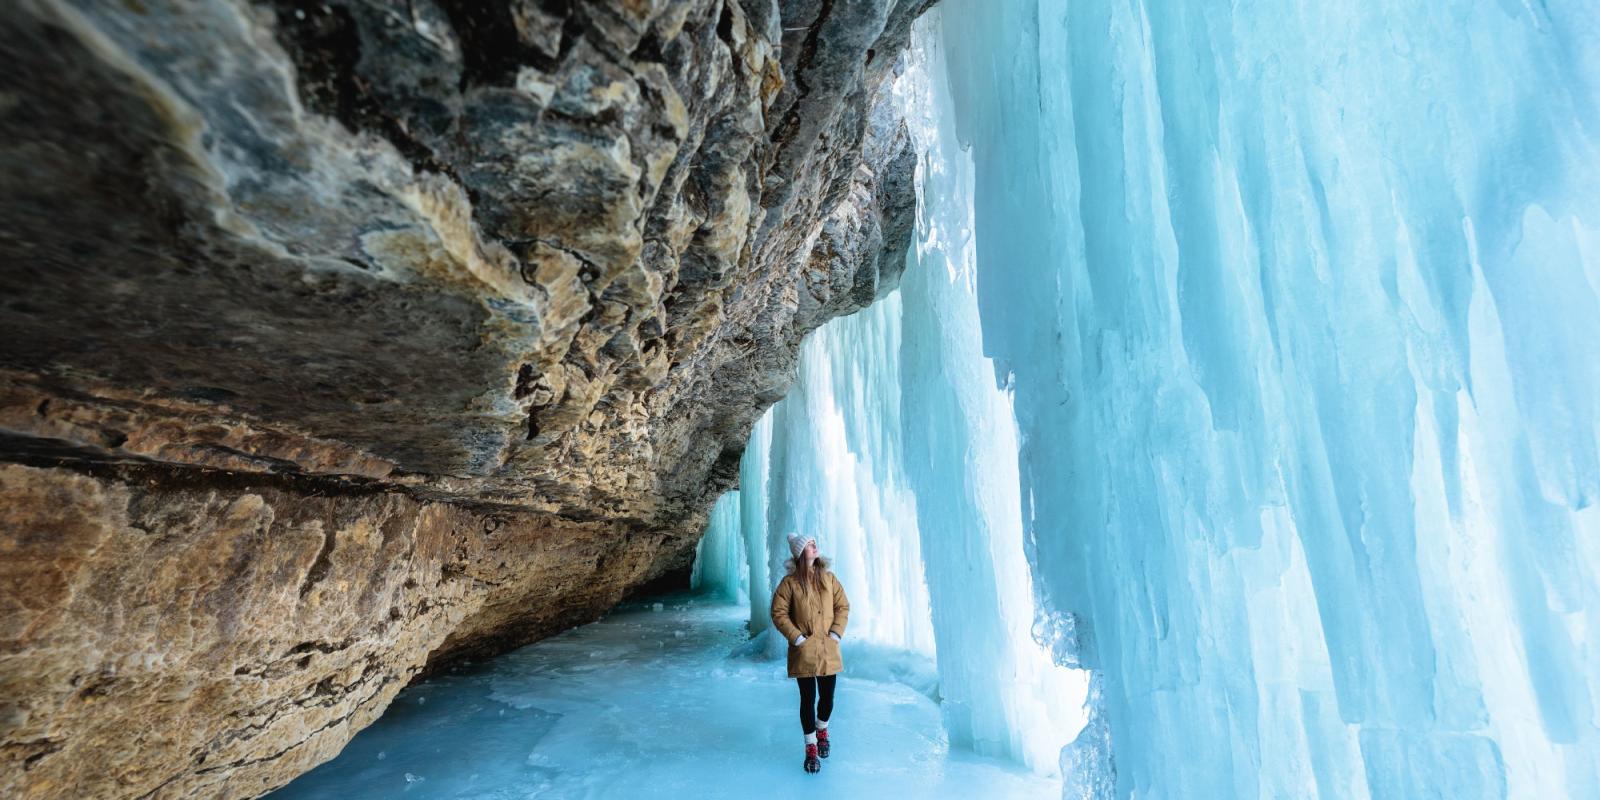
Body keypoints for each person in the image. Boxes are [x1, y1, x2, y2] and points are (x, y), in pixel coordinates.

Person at [770, 532, 851, 774]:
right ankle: (811, 748)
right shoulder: (789, 584)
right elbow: (778, 612)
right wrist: (797, 638)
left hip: (828, 649)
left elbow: (842, 606)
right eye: (809, 545)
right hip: (804, 652)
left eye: (814, 543)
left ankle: (822, 729)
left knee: (827, 699)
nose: (814, 547)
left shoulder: (829, 579)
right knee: (807, 700)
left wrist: (836, 633)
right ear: (799, 553)